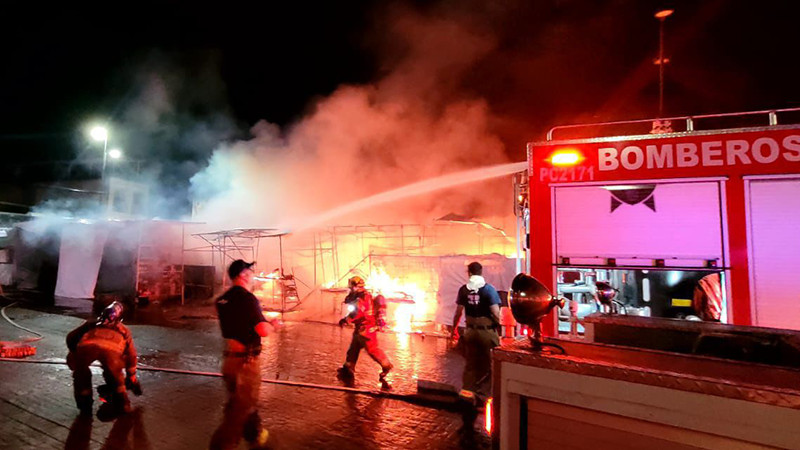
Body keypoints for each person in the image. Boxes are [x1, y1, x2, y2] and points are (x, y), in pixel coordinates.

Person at [210, 260, 279, 450]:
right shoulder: (248, 299)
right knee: (237, 413)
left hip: (230, 362)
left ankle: (254, 434)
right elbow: (262, 330)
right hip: (245, 365)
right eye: (249, 270)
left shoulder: (222, 300)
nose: (252, 273)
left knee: (241, 402)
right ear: (243, 274)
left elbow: (237, 322)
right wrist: (273, 324)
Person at [66, 301, 141, 417]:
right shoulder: (123, 330)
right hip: (112, 354)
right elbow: (131, 354)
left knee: (81, 374)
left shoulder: (91, 324)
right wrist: (132, 375)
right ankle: (123, 405)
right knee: (115, 375)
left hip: (85, 349)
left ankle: (85, 405)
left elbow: (71, 337)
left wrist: (74, 353)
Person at [450, 261, 501, 411]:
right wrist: (500, 328)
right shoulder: (488, 290)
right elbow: (496, 313)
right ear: (481, 272)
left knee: (471, 363)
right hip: (486, 332)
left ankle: (467, 394)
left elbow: (458, 312)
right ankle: (483, 394)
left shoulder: (463, 290)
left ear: (469, 273)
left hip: (470, 331)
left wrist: (453, 329)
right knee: (490, 364)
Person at [336, 275, 393, 389]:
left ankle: (386, 365)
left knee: (372, 350)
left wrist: (346, 320)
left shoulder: (362, 298)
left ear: (355, 287)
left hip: (366, 329)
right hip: (361, 328)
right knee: (353, 349)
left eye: (351, 287)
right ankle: (348, 368)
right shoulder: (361, 296)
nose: (350, 289)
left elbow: (358, 313)